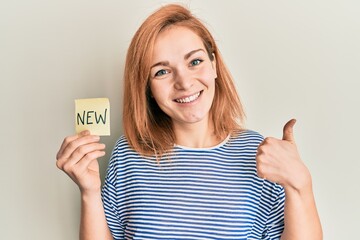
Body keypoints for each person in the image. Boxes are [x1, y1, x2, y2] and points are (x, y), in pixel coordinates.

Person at [56, 4, 322, 240]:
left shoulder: (258, 153)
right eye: (162, 71)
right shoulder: (129, 152)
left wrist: (301, 184)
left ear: (214, 65)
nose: (183, 82)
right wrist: (89, 192)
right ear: (147, 87)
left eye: (195, 61)